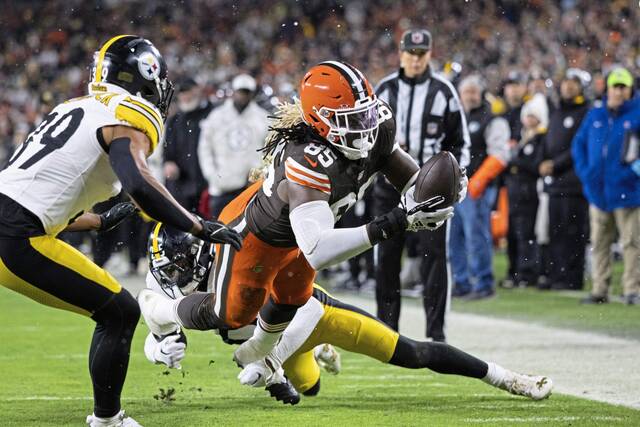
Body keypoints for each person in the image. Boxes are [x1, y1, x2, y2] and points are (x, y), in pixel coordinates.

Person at [138, 60, 464, 375]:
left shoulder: (376, 127)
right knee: (233, 314)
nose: (365, 128)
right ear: (320, 121)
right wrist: (396, 221)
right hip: (261, 236)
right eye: (351, 120)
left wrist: (434, 194)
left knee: (293, 297)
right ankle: (159, 310)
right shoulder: (305, 157)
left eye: (364, 115)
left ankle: (259, 354)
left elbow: (404, 172)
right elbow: (318, 250)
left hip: (304, 232)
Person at [0, 35, 242, 427]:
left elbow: (26, 192)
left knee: (115, 310)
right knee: (118, 312)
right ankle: (107, 420)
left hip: (13, 223)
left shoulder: (74, 107)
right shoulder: (127, 114)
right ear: (147, 76)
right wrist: (198, 225)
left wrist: (95, 220)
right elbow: (140, 184)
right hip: (18, 236)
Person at [142, 224, 553, 404]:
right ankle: (311, 359)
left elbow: (299, 307)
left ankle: (508, 378)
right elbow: (152, 322)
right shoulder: (168, 279)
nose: (174, 279)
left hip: (310, 317)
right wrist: (159, 350)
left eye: (178, 269)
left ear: (198, 257)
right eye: (168, 271)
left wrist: (272, 358)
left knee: (412, 354)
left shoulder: (239, 265)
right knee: (310, 391)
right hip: (269, 343)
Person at [373, 29, 470, 341]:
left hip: (431, 189)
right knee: (387, 257)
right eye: (411, 54)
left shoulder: (444, 91)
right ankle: (386, 332)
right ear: (401, 54)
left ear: (429, 54)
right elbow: (367, 138)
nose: (416, 60)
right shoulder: (383, 89)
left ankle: (436, 332)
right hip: (390, 185)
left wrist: (455, 177)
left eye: (421, 54)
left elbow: (460, 143)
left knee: (434, 259)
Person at [573, 68, 640, 305]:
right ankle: (600, 289)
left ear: (630, 90)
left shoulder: (637, 113)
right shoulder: (596, 115)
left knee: (632, 243)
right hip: (598, 192)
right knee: (599, 243)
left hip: (629, 191)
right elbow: (578, 144)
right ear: (608, 88)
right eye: (616, 86)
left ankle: (632, 290)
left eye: (624, 87)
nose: (620, 92)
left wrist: (633, 172)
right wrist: (586, 172)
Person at [450, 75, 510, 299]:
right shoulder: (457, 118)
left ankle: (483, 283)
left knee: (477, 236)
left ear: (481, 93)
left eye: (474, 91)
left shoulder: (492, 119)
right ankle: (461, 282)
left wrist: (479, 180)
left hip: (478, 187)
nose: (470, 96)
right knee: (454, 238)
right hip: (456, 188)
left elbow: (500, 155)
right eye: (467, 92)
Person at [538, 69, 591, 291]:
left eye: (574, 83)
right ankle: (557, 275)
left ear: (582, 87)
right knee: (556, 231)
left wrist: (555, 164)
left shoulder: (586, 112)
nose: (568, 86)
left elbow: (578, 145)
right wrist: (543, 162)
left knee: (573, 233)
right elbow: (548, 141)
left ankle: (572, 277)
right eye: (566, 82)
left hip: (574, 183)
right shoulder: (557, 111)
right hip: (555, 184)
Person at [198, 74, 269, 219]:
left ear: (252, 93)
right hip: (222, 186)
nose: (243, 96)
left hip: (251, 187)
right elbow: (204, 148)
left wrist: (261, 174)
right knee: (219, 231)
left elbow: (270, 151)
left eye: (246, 92)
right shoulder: (217, 116)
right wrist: (211, 175)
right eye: (240, 91)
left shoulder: (263, 118)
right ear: (233, 92)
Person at [505, 93, 548, 288]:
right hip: (515, 191)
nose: (529, 119)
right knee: (513, 233)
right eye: (528, 115)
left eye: (533, 116)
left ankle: (527, 272)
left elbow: (535, 165)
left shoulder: (540, 139)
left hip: (528, 192)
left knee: (526, 233)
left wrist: (515, 160)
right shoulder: (522, 137)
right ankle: (514, 271)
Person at [163, 77, 213, 214]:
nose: (184, 96)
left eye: (187, 91)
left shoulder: (212, 114)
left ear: (197, 91)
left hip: (208, 184)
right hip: (182, 185)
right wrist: (168, 163)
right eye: (181, 93)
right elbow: (167, 151)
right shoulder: (175, 120)